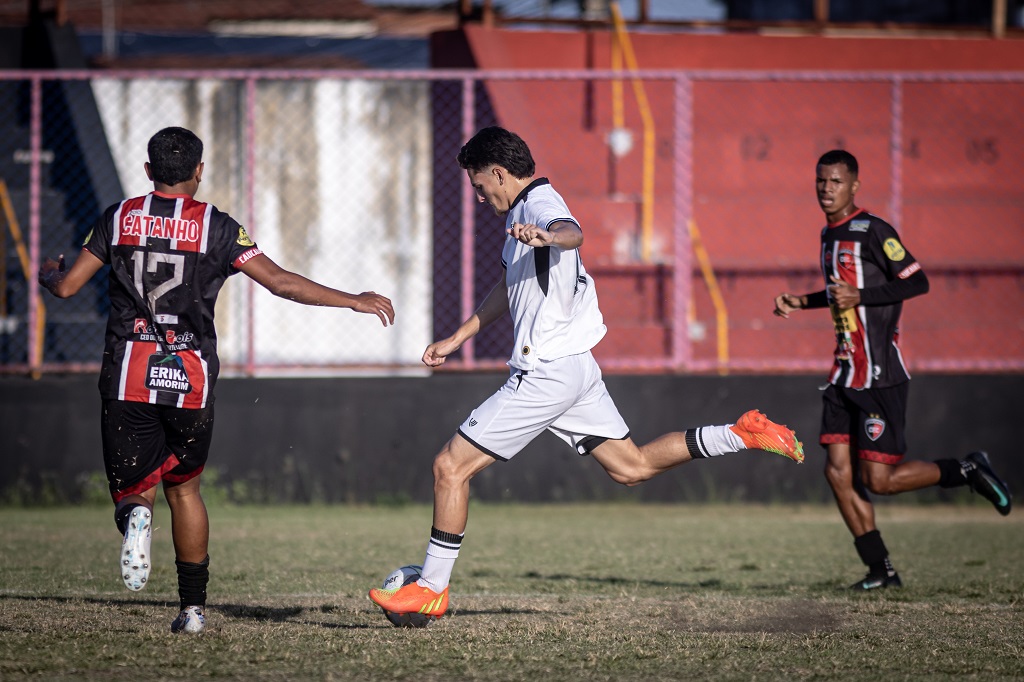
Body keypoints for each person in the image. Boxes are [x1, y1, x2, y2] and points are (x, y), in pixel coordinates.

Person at [368, 126, 804, 626]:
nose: (479, 193)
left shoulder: (538, 205)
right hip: (575, 368)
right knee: (632, 467)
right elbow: (506, 289)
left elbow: (572, 232)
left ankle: (430, 589)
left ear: (498, 172)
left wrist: (549, 235)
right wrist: (457, 337)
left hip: (547, 371)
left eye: (479, 184)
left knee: (450, 467)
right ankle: (740, 434)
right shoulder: (519, 219)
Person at [38, 126, 395, 633]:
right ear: (198, 172)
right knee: (184, 489)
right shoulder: (218, 228)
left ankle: (136, 518)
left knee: (135, 489)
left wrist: (49, 274)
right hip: (190, 376)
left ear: (148, 171)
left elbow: (69, 287)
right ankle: (192, 611)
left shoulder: (116, 218)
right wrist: (353, 300)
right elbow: (282, 284)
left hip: (128, 374)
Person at [772, 149, 1012, 591]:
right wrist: (801, 301)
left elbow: (916, 281)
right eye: (821, 181)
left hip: (880, 375)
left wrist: (859, 299)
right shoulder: (829, 234)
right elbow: (839, 292)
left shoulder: (873, 230)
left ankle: (965, 470)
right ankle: (880, 570)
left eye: (836, 182)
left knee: (878, 481)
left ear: (854, 186)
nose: (827, 189)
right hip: (844, 373)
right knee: (836, 473)